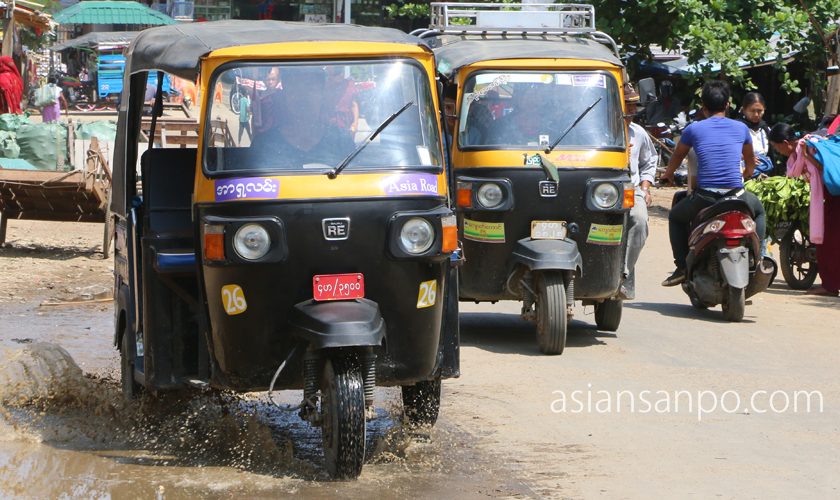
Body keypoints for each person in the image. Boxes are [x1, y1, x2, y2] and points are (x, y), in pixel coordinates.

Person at [660, 80, 766, 286]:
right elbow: (751, 163)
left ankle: (681, 266)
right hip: (736, 195)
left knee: (675, 216)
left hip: (706, 197)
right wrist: (747, 174)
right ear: (727, 105)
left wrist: (668, 175)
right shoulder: (741, 129)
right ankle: (757, 256)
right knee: (759, 211)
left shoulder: (693, 129)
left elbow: (677, 156)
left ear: (703, 108)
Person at [768, 123, 839, 296]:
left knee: (830, 242)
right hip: (831, 196)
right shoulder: (799, 152)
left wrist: (809, 157)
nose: (777, 151)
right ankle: (830, 284)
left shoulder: (808, 147)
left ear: (785, 142)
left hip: (836, 196)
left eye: (776, 147)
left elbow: (828, 170)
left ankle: (830, 286)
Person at [250, 67, 353, 167]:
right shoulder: (264, 145)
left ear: (322, 95)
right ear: (285, 96)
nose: (302, 97)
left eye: (310, 89)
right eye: (294, 89)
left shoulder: (342, 142)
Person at [621, 83, 657, 300]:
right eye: (628, 106)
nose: (632, 111)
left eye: (635, 106)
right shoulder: (593, 131)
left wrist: (645, 187)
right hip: (599, 190)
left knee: (640, 219)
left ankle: (623, 272)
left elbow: (649, 161)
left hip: (629, 189)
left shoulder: (639, 133)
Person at [738, 92, 773, 177]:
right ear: (744, 110)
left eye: (760, 111)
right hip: (743, 175)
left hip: (764, 175)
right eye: (752, 111)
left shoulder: (765, 129)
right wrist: (746, 157)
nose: (756, 114)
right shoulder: (737, 129)